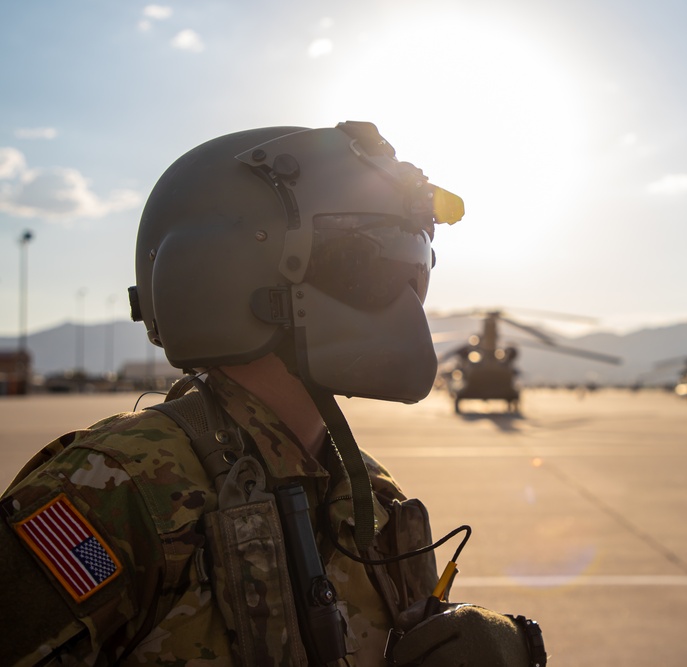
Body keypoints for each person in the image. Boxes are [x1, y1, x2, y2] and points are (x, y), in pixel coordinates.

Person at [0, 123, 546, 667]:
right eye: (366, 265)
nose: (402, 302)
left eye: (413, 268)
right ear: (227, 271)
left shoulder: (372, 500)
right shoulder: (115, 490)